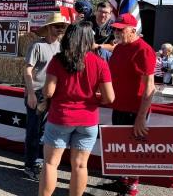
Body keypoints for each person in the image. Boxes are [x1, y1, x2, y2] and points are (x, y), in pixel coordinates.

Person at [38, 21, 114, 196]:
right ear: (89, 39)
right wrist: (92, 98)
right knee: (80, 165)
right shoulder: (100, 63)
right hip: (88, 120)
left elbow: (48, 92)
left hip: (60, 117)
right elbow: (109, 97)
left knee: (50, 163)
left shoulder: (58, 60)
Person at [107, 13, 156, 196]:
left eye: (121, 29)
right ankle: (122, 180)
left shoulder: (144, 50)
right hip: (119, 106)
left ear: (133, 30)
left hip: (135, 110)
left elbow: (150, 87)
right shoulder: (119, 48)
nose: (117, 31)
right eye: (116, 28)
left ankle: (132, 185)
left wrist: (141, 117)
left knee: (134, 150)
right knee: (120, 148)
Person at [23, 12, 68, 181]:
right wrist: (31, 94)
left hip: (52, 95)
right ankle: (30, 164)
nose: (60, 29)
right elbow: (27, 70)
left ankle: (38, 162)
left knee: (46, 132)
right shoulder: (37, 46)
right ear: (48, 28)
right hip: (37, 94)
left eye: (62, 26)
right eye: (57, 26)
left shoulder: (62, 47)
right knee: (33, 131)